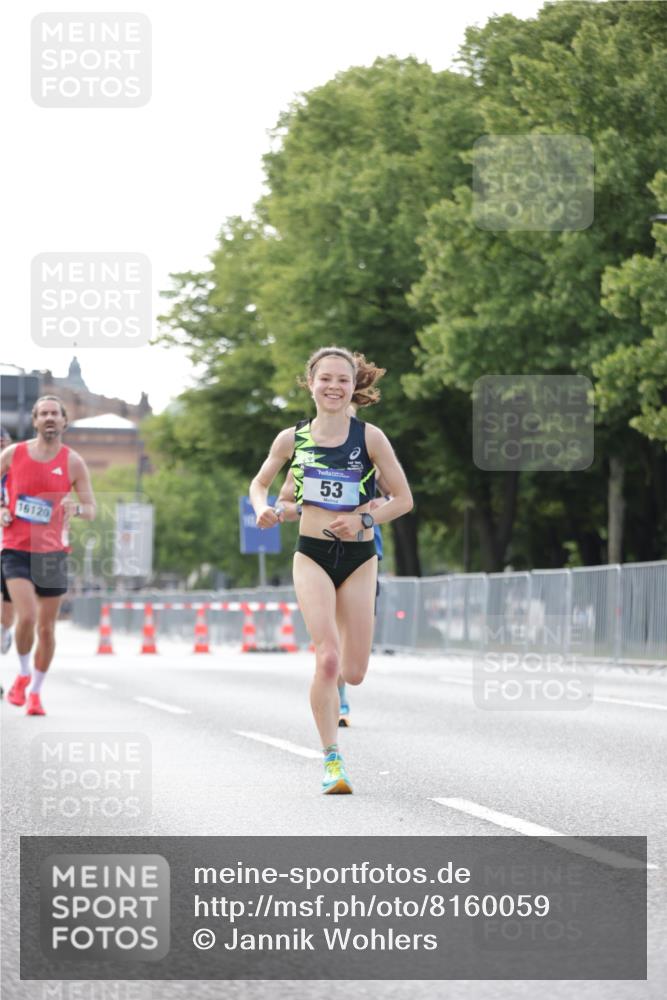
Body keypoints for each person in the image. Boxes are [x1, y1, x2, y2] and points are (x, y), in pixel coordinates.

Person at [250, 347, 413, 794]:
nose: (334, 387)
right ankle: (332, 760)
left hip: (359, 558)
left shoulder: (370, 438)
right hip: (312, 553)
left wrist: (364, 519)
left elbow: (403, 499)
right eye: (326, 378)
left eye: (343, 379)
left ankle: (342, 687)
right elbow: (262, 483)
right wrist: (264, 509)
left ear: (353, 385)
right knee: (327, 659)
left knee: (355, 671)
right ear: (311, 383)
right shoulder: (292, 439)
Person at [277, 431, 391, 728]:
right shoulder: (307, 451)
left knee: (354, 663)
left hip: (364, 557)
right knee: (329, 649)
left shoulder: (371, 455)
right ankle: (336, 695)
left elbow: (399, 497)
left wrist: (374, 510)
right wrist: (305, 506)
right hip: (319, 554)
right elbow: (284, 503)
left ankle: (342, 679)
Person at [1, 396, 96, 715]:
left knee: (46, 629)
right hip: (15, 549)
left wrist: (77, 508)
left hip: (53, 552)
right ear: (35, 421)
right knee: (25, 617)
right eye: (44, 414)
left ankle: (36, 692)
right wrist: (1, 507)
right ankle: (23, 674)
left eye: (55, 414)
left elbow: (91, 508)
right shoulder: (14, 454)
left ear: (64, 422)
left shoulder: (73, 462)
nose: (50, 418)